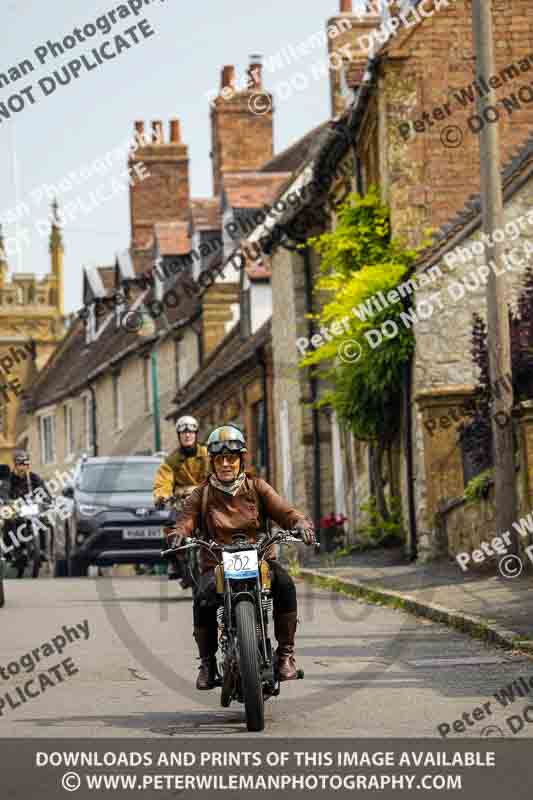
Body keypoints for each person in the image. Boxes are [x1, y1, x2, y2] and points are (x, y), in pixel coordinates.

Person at [169, 424, 315, 690]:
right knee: (202, 598)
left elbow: (284, 511)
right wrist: (179, 534)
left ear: (240, 460)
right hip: (217, 562)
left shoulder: (257, 486)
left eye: (231, 458)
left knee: (285, 584)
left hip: (259, 558)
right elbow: (186, 519)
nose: (226, 464)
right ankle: (207, 664)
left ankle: (285, 655)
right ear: (213, 463)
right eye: (220, 459)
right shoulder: (202, 493)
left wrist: (300, 523)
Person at [153, 416, 210, 584]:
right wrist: (161, 495)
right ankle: (176, 562)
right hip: (181, 503)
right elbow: (163, 481)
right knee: (171, 528)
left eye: (191, 432)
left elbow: (215, 475)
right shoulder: (172, 460)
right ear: (179, 436)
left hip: (206, 499)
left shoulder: (207, 454)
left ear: (196, 434)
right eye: (183, 433)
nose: (187, 435)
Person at [3, 450, 52, 559]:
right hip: (15, 508)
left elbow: (43, 490)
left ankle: (43, 550)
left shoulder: (34, 477)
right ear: (15, 465)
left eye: (25, 464)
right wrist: (8, 501)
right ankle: (10, 552)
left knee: (43, 520)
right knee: (9, 522)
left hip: (30, 507)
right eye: (20, 464)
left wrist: (48, 500)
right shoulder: (9, 478)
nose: (23, 467)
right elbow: (4, 491)